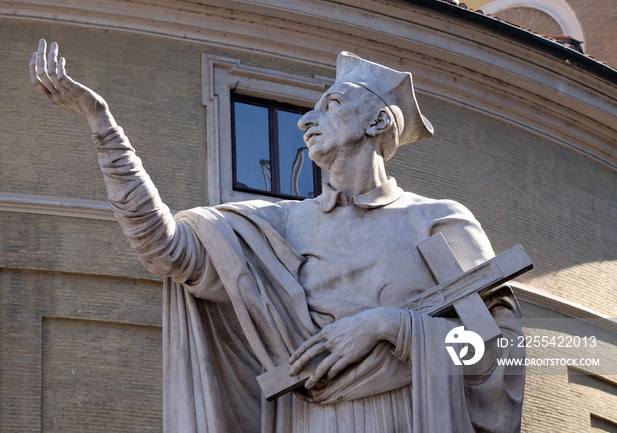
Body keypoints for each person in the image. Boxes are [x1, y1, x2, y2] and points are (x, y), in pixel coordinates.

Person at [30, 39, 525, 432]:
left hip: (407, 419)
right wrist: (103, 128)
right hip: (307, 421)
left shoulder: (437, 221)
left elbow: (496, 354)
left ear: (378, 121)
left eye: (331, 105)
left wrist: (389, 326)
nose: (307, 120)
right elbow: (164, 248)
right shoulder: (280, 226)